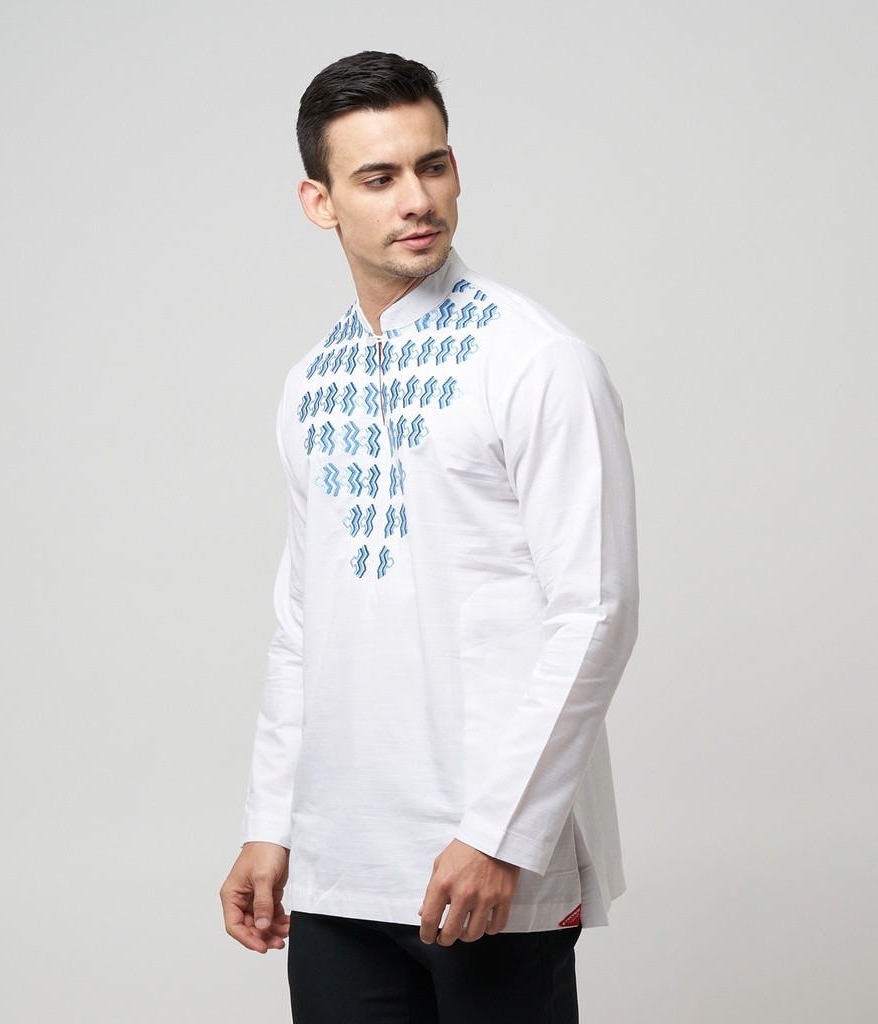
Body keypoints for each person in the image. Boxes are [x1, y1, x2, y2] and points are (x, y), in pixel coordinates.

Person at [220, 51, 639, 1024]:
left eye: (433, 165)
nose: (417, 199)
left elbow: (594, 612)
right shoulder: (309, 384)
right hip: (337, 866)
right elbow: (302, 623)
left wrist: (499, 834)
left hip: (486, 864)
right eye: (378, 177)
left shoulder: (535, 362)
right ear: (320, 202)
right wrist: (270, 823)